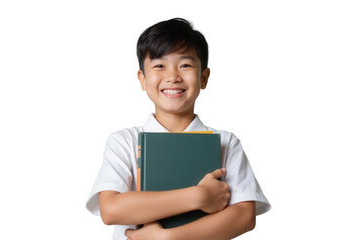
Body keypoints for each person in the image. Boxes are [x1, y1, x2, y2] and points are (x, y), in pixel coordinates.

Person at [86, 18, 271, 240]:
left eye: (185, 65)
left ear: (204, 77)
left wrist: (167, 238)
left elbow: (244, 216)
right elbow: (112, 210)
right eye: (159, 66)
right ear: (142, 79)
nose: (173, 77)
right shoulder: (124, 141)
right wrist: (199, 196)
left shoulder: (225, 142)